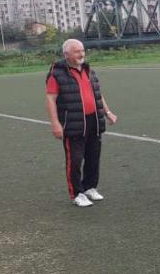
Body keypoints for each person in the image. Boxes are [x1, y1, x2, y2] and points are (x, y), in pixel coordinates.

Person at [45, 39, 118, 207]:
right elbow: (50, 98)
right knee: (75, 160)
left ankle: (90, 187)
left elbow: (97, 94)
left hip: (94, 121)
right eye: (77, 51)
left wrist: (107, 112)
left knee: (93, 157)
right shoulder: (57, 73)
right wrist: (55, 123)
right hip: (73, 123)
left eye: (82, 50)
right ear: (66, 54)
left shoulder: (89, 70)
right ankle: (77, 193)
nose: (81, 54)